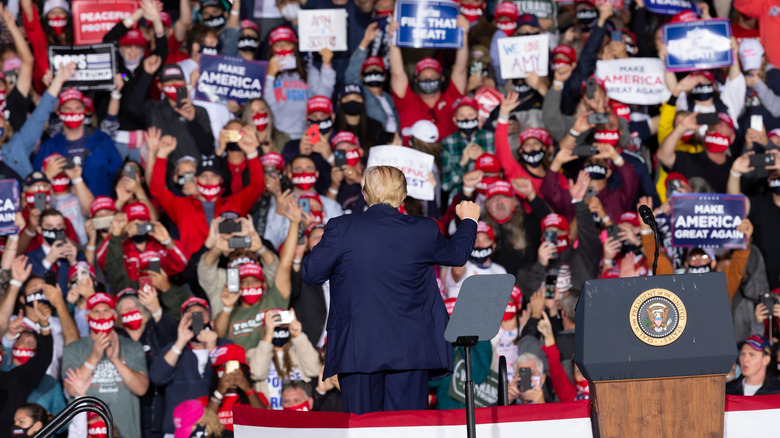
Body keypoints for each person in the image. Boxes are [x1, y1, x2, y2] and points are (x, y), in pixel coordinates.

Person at [302, 165, 480, 414]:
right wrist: (469, 221)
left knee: (365, 432)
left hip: (358, 353)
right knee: (405, 430)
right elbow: (458, 254)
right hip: (410, 352)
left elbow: (311, 274)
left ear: (365, 195)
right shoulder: (423, 229)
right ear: (403, 196)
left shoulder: (341, 228)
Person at [61, 292, 149, 438]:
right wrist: (94, 357)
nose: (101, 316)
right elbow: (71, 389)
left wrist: (115, 360)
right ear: (87, 318)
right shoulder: (73, 349)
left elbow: (141, 389)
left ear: (114, 316)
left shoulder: (132, 346)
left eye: (106, 311)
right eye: (96, 311)